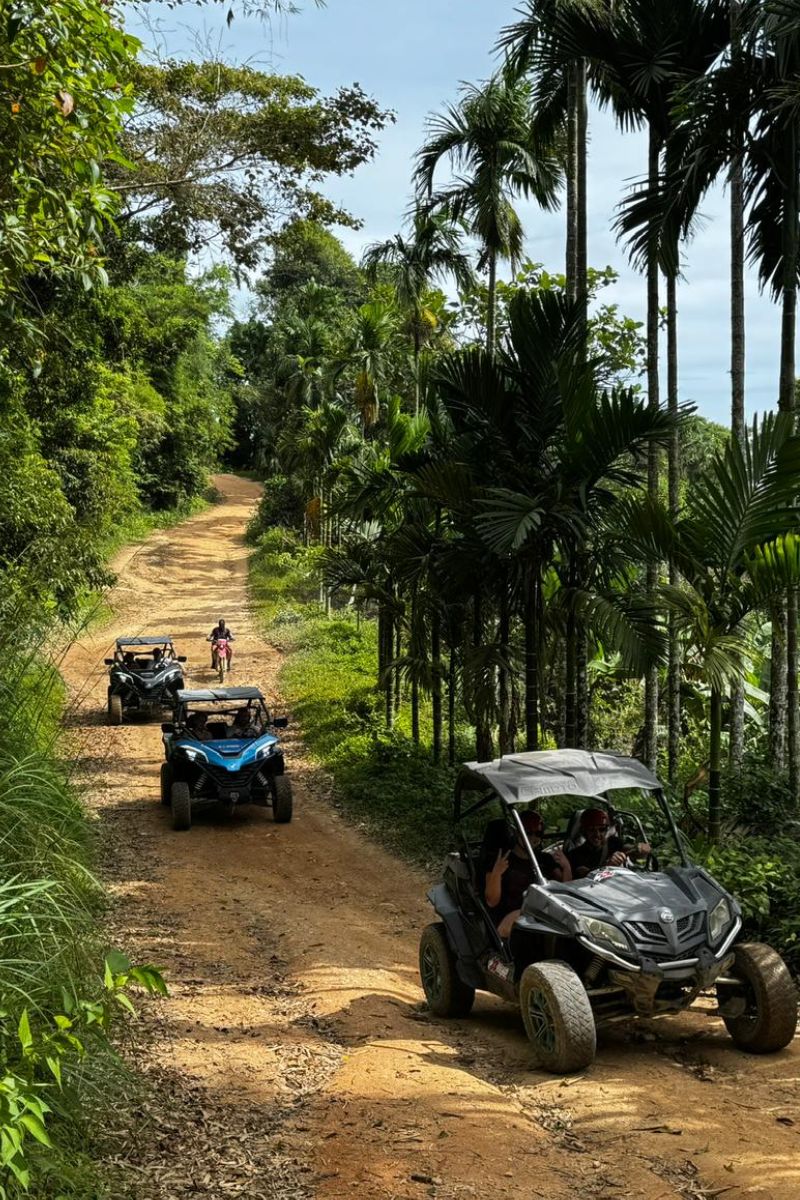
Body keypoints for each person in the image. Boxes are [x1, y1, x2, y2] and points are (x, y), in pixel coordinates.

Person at [484, 810, 572, 939]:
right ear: (517, 833)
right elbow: (491, 901)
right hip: (512, 918)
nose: (533, 838)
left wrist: (566, 867)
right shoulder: (501, 860)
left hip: (545, 914)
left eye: (538, 833)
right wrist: (496, 874)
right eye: (528, 833)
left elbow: (566, 892)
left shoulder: (544, 859)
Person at [567, 808, 650, 879]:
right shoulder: (575, 855)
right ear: (584, 831)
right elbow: (585, 875)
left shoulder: (613, 843)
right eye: (591, 830)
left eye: (601, 829)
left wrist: (641, 848)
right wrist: (607, 865)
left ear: (606, 830)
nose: (597, 834)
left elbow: (630, 849)